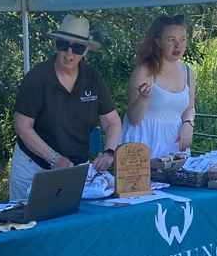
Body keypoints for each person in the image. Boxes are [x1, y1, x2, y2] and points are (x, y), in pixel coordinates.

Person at [10, 15, 122, 202]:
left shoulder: (93, 78)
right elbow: (22, 125)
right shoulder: (37, 77)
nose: (70, 53)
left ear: (86, 50)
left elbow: (112, 121)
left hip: (76, 169)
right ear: (55, 44)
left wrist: (109, 153)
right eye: (64, 45)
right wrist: (54, 158)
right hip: (33, 167)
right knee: (28, 224)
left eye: (78, 47)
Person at [121, 14, 197, 157]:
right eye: (171, 40)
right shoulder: (144, 70)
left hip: (175, 145)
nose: (178, 45)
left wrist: (188, 124)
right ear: (158, 42)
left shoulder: (188, 72)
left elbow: (190, 108)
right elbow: (134, 118)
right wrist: (143, 98)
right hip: (143, 142)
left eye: (182, 39)